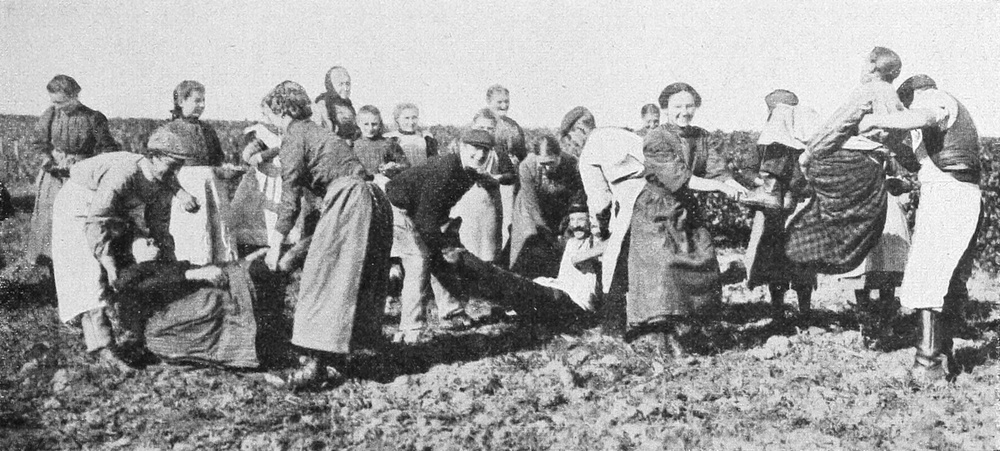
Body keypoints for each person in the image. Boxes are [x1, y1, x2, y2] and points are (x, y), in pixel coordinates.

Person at [260, 81, 392, 388]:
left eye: (268, 113)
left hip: (350, 199)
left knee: (324, 280)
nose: (268, 119)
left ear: (281, 111)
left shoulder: (295, 134)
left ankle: (314, 367)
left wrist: (275, 245)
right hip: (370, 198)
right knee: (347, 281)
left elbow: (290, 197)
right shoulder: (316, 132)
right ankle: (334, 362)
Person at [858, 74, 982, 382]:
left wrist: (878, 119)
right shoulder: (938, 120)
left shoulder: (932, 98)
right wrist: (891, 142)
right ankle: (944, 357)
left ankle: (928, 366)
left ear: (910, 96)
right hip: (953, 192)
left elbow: (924, 116)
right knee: (947, 281)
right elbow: (918, 163)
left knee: (927, 277)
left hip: (949, 194)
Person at [51, 123, 199, 371]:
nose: (175, 171)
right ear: (153, 157)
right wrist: (108, 263)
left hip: (110, 211)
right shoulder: (124, 172)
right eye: (172, 164)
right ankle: (103, 349)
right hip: (79, 206)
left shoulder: (164, 180)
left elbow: (159, 227)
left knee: (137, 263)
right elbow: (97, 221)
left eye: (179, 166)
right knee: (89, 276)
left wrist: (170, 267)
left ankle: (138, 335)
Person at [628, 82, 747, 353]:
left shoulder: (700, 136)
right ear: (666, 108)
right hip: (657, 212)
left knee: (703, 260)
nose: (684, 112)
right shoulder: (657, 138)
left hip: (687, 210)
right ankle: (661, 340)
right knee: (665, 269)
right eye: (678, 106)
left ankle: (692, 331)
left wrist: (737, 187)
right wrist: (719, 187)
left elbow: (718, 170)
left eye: (689, 106)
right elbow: (681, 179)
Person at [785, 47, 908, 274]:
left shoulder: (869, 90)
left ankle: (790, 251)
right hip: (873, 168)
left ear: (872, 66)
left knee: (812, 214)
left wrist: (809, 153)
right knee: (852, 225)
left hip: (850, 163)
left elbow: (838, 126)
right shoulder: (893, 96)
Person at [383, 129, 496, 344]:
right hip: (397, 208)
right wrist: (441, 244)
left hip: (417, 211)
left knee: (439, 257)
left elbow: (439, 207)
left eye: (485, 150)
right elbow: (425, 217)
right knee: (419, 260)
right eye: (475, 149)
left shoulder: (467, 173)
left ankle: (451, 313)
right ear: (462, 147)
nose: (480, 155)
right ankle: (411, 330)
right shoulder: (446, 169)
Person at [111, 236, 259, 368]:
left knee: (233, 277)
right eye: (146, 242)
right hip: (162, 327)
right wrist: (190, 274)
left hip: (186, 311)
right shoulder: (132, 273)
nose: (152, 240)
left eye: (151, 239)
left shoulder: (170, 264)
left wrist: (248, 259)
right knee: (213, 298)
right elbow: (145, 286)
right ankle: (247, 346)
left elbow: (211, 269)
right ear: (134, 254)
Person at [566, 106, 645, 336]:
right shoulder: (623, 135)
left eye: (572, 137)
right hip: (661, 200)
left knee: (613, 266)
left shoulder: (589, 154)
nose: (574, 144)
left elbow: (600, 202)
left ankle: (613, 330)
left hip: (632, 204)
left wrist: (601, 231)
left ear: (580, 130)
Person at [28, 74, 120, 269]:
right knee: (50, 222)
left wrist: (84, 164)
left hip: (81, 176)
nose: (58, 106)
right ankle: (52, 267)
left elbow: (109, 149)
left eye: (61, 102)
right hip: (53, 177)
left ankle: (81, 265)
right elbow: (38, 143)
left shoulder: (93, 118)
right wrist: (47, 158)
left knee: (77, 220)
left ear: (74, 96)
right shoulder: (50, 114)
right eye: (54, 102)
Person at [741, 89, 817, 318]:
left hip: (799, 209)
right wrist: (763, 183)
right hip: (772, 212)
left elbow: (810, 177)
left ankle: (805, 313)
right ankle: (777, 313)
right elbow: (748, 170)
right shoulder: (764, 143)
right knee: (774, 260)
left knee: (803, 261)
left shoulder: (804, 145)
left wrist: (796, 187)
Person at [166, 80, 239, 265]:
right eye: (197, 101)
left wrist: (225, 172)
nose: (202, 105)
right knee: (195, 237)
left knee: (219, 236)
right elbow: (162, 170)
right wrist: (181, 194)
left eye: (203, 101)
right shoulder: (170, 131)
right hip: (188, 191)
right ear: (181, 101)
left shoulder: (208, 130)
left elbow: (216, 161)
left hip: (213, 190)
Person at [509, 135, 584, 279]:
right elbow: (532, 205)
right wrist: (546, 232)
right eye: (542, 164)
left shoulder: (572, 163)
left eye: (551, 163)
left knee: (563, 243)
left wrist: (566, 227)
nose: (547, 168)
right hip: (529, 207)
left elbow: (576, 198)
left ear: (559, 156)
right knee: (530, 238)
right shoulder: (526, 166)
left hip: (558, 205)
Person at [449, 109, 516, 264]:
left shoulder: (498, 151)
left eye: (490, 128)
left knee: (488, 247)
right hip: (465, 202)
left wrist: (495, 178)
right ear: (473, 126)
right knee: (466, 244)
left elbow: (511, 176)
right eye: (481, 127)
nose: (485, 131)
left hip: (489, 203)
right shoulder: (461, 147)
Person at [533, 203, 602, 311]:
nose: (576, 224)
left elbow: (607, 244)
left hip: (580, 296)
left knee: (539, 291)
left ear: (590, 221)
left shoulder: (593, 240)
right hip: (563, 287)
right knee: (535, 283)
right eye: (572, 220)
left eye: (581, 219)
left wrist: (581, 257)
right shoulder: (571, 242)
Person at [486, 85, 527, 249]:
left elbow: (522, 155)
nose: (504, 106)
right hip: (486, 180)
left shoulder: (513, 126)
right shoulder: (483, 123)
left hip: (508, 183)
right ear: (489, 101)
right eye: (499, 102)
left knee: (507, 223)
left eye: (506, 102)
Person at [353, 105, 410, 182]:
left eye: (374, 124)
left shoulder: (388, 143)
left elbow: (405, 165)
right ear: (358, 123)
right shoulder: (353, 146)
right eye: (366, 124)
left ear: (380, 123)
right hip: (361, 184)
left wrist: (393, 167)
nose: (370, 128)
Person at [314, 66, 353, 132]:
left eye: (347, 84)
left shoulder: (347, 104)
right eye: (341, 84)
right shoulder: (322, 104)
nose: (346, 88)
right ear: (330, 85)